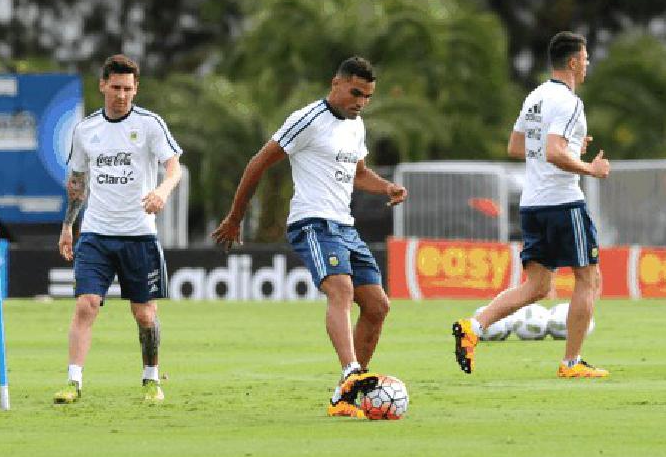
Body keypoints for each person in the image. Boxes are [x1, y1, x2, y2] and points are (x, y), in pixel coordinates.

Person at [211, 56, 408, 418]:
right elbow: (258, 162)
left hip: (345, 226)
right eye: (355, 93)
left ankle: (345, 396)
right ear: (336, 83)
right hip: (313, 222)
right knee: (342, 290)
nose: (360, 102)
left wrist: (386, 187)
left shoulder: (355, 124)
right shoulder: (307, 120)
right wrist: (235, 217)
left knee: (378, 306)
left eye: (366, 96)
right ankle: (351, 373)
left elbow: (358, 173)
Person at [452, 31, 612, 378]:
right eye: (585, 59)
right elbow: (553, 152)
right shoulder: (570, 102)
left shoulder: (535, 96)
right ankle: (572, 363)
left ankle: (474, 326)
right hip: (563, 202)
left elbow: (515, 146)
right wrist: (590, 168)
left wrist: (569, 149)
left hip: (532, 205)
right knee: (589, 277)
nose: (587, 65)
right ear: (572, 62)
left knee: (537, 286)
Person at [53, 54, 184, 403]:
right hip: (96, 233)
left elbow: (174, 168)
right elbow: (78, 183)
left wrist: (161, 191)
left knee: (144, 313)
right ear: (102, 85)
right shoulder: (86, 130)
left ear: (136, 89)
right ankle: (73, 382)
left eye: (128, 88)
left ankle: (151, 379)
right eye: (116, 87)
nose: (122, 95)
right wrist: (68, 226)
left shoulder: (151, 124)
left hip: (139, 234)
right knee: (87, 305)